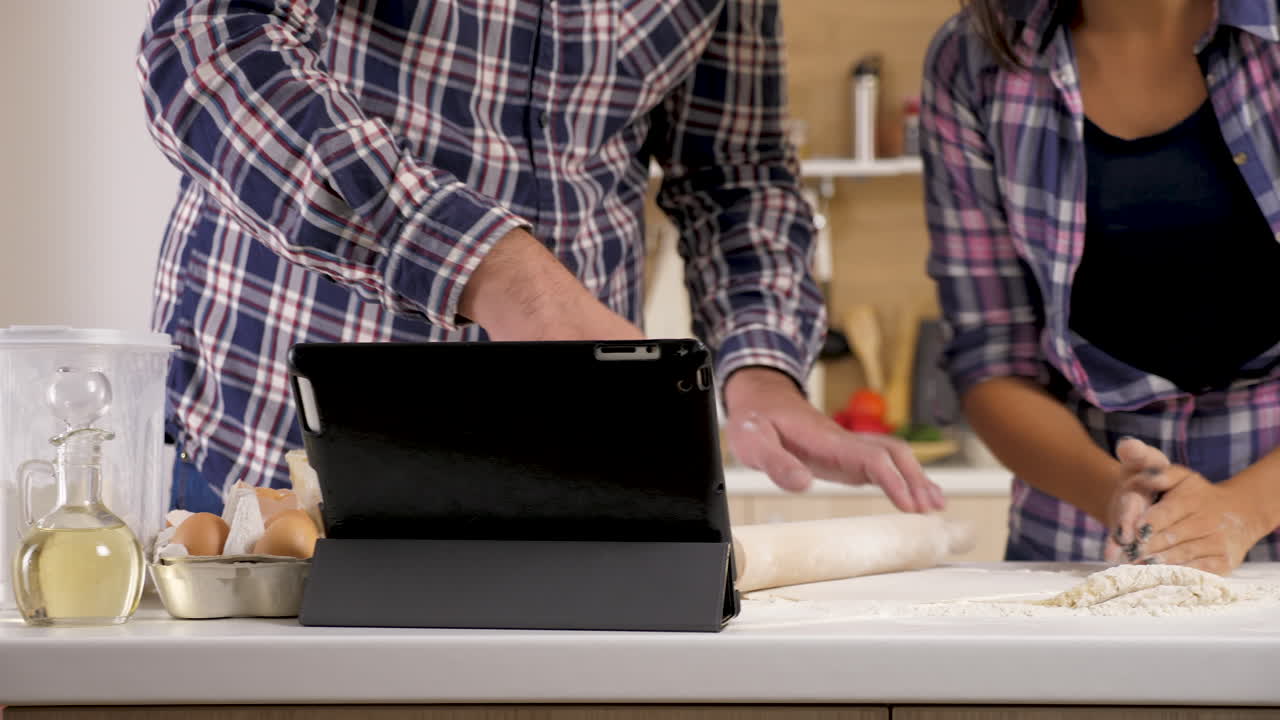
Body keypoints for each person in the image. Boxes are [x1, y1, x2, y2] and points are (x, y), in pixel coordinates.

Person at [138, 1, 944, 516]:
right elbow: (212, 45)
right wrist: (498, 274)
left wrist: (763, 373)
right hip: (266, 454)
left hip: (568, 472)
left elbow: (734, 175)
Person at [922, 0, 1280, 574]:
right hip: (1079, 538)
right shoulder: (973, 59)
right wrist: (1116, 493)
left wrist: (1244, 508)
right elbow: (992, 360)